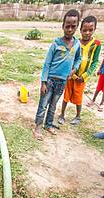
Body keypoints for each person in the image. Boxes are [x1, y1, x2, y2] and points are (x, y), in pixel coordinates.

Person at [33, 9, 81, 140]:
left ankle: (48, 125)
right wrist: (43, 82)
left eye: (73, 26)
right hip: (50, 80)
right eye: (67, 26)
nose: (70, 29)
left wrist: (74, 69)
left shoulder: (77, 44)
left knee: (53, 105)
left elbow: (78, 59)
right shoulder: (56, 43)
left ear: (77, 26)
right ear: (63, 26)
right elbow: (47, 64)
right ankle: (38, 126)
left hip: (62, 81)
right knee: (43, 104)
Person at [58, 16, 101, 126]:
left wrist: (85, 76)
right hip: (71, 75)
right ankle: (62, 114)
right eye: (84, 30)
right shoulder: (75, 42)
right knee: (66, 94)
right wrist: (71, 73)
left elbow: (95, 62)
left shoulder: (96, 44)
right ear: (80, 30)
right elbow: (70, 58)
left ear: (95, 29)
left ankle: (78, 116)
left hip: (82, 77)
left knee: (78, 96)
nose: (87, 33)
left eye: (90, 30)